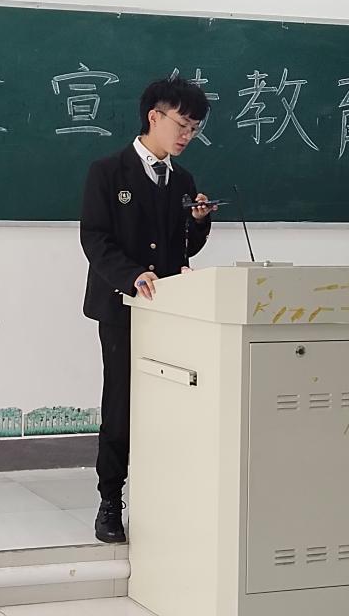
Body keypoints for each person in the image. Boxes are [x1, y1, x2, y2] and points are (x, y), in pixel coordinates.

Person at [80, 76, 215, 543]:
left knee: (170, 402)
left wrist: (198, 222)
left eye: (194, 129)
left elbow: (184, 246)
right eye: (182, 124)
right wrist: (132, 275)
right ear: (154, 116)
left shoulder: (184, 180)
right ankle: (109, 500)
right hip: (121, 308)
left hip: (170, 310)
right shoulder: (107, 171)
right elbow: (95, 238)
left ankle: (162, 494)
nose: (187, 136)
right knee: (121, 405)